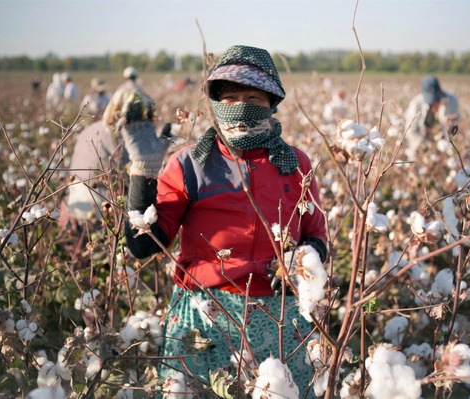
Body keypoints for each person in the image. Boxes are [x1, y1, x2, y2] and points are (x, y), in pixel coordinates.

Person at [120, 45, 328, 397]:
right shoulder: (190, 165)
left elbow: (315, 235)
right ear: (215, 103)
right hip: (204, 316)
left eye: (252, 97)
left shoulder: (295, 164)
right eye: (230, 97)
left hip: (280, 318)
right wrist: (142, 173)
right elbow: (143, 245)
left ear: (272, 102)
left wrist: (301, 263)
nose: (241, 106)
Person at [403, 75, 461, 157]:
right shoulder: (416, 103)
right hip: (422, 148)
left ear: (440, 90)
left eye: (435, 98)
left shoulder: (451, 100)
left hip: (446, 148)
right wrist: (423, 146)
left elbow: (457, 124)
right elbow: (410, 130)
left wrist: (449, 124)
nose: (433, 102)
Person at [102, 66, 148, 131]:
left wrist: (108, 126)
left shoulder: (120, 91)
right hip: (140, 129)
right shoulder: (140, 92)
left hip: (122, 128)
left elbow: (109, 113)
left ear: (125, 77)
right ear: (135, 77)